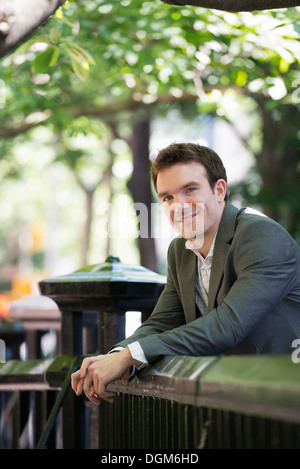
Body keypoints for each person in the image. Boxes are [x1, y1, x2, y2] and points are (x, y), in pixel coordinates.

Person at [71, 142, 300, 405]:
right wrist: (119, 352)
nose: (178, 206)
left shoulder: (260, 236)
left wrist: (131, 356)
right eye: (167, 197)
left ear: (219, 190)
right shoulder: (180, 250)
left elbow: (227, 326)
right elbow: (163, 321)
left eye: (189, 190)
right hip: (234, 397)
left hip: (287, 395)